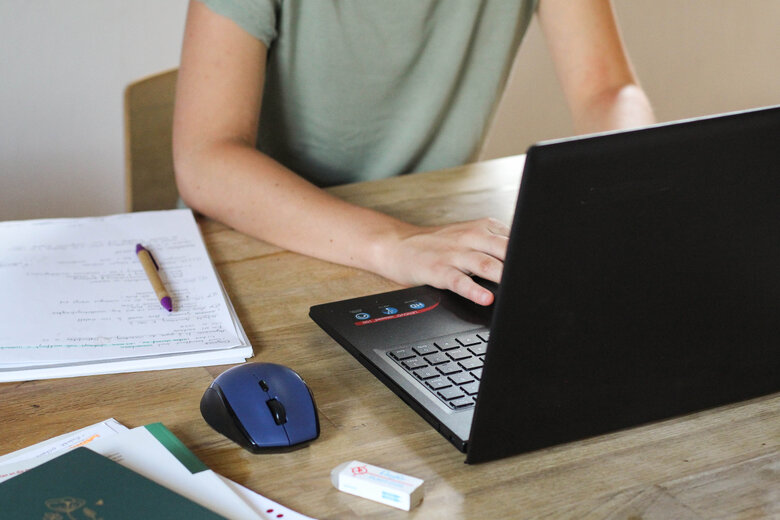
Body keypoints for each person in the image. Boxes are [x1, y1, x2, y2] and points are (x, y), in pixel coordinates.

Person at [173, 0, 655, 306]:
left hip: (430, 241)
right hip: (251, 249)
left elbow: (607, 91)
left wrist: (642, 184)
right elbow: (204, 159)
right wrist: (393, 244)